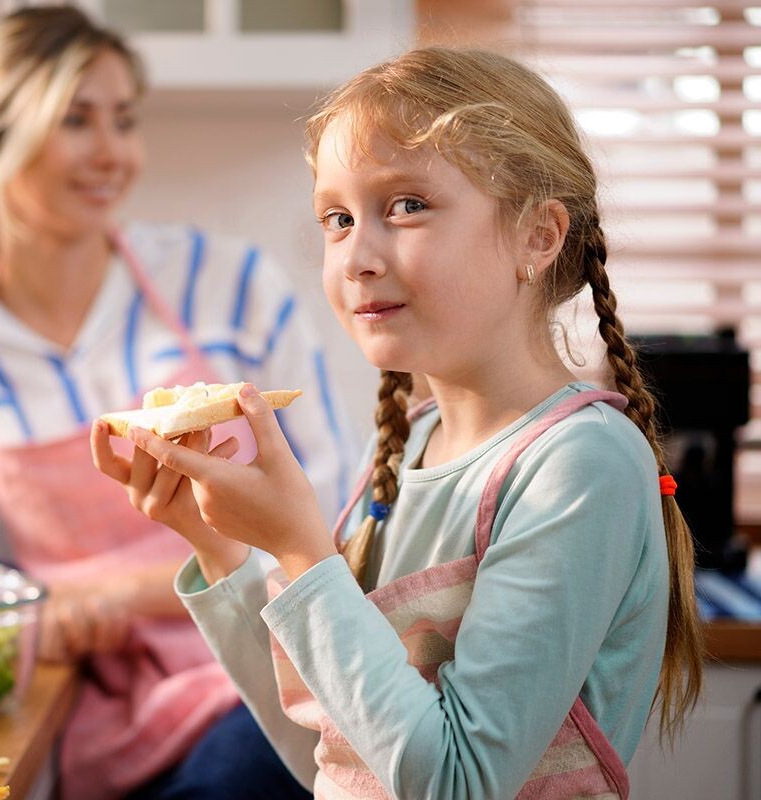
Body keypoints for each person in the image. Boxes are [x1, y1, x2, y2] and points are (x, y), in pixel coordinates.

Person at [93, 47, 705, 798]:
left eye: (407, 205)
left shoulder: (580, 465)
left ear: (538, 236)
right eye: (338, 218)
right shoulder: (407, 448)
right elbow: (334, 748)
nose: (356, 256)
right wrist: (221, 551)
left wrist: (301, 550)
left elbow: (456, 782)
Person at [0, 6, 353, 799]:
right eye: (76, 120)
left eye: (124, 119)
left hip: (263, 667)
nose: (113, 153)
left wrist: (112, 594)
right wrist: (37, 619)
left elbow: (332, 514)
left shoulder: (230, 287)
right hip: (79, 712)